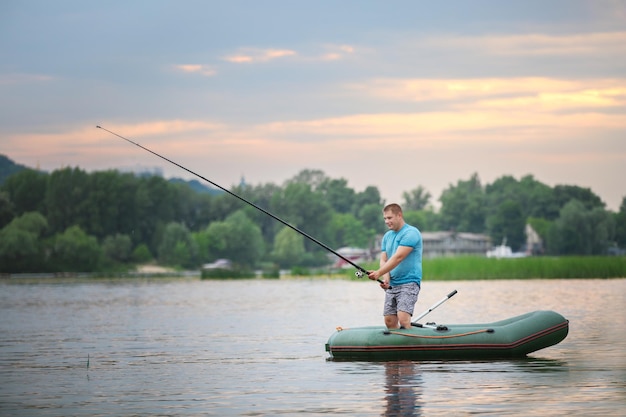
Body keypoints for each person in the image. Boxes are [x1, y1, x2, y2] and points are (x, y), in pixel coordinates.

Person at [368, 203, 422, 329]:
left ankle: (414, 344)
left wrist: (378, 273)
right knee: (389, 321)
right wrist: (386, 279)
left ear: (399, 215)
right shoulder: (387, 236)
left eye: (389, 218)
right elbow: (384, 259)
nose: (387, 221)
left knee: (403, 318)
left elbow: (398, 257)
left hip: (409, 282)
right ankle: (399, 346)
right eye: (385, 218)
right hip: (393, 284)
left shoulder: (411, 233)